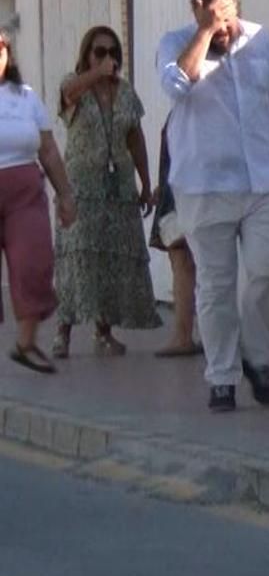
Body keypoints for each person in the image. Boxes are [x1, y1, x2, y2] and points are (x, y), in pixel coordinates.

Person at [156, 0, 269, 411]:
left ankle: (254, 354)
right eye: (213, 18)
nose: (223, 28)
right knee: (217, 284)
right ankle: (222, 377)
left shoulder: (262, 42)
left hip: (264, 179)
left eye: (226, 19)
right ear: (197, 12)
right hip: (204, 185)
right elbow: (177, 85)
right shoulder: (175, 44)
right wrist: (204, 35)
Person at [53, 26, 160, 358]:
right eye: (99, 52)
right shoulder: (75, 85)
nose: (107, 58)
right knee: (78, 257)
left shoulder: (125, 92)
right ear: (87, 54)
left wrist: (144, 181)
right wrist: (95, 74)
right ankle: (63, 331)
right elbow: (68, 95)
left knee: (111, 259)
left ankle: (104, 330)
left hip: (118, 187)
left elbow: (135, 137)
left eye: (112, 52)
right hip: (81, 187)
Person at [0, 28, 79, 373]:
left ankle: (26, 343)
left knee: (34, 261)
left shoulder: (25, 96)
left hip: (25, 191)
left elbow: (47, 148)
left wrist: (65, 194)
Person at [149, 112, 200, 358]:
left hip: (181, 199)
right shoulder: (183, 111)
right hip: (179, 195)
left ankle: (183, 335)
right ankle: (186, 333)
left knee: (182, 263)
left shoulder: (186, 113)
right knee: (187, 264)